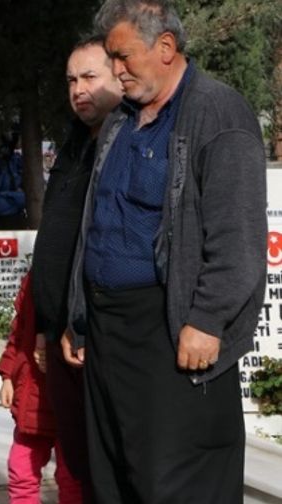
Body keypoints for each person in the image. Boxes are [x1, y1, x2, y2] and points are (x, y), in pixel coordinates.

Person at [67, 1, 267, 501]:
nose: (115, 69)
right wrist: (80, 314)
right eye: (111, 57)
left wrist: (208, 318)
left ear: (165, 47)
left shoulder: (217, 112)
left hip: (172, 329)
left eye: (122, 56)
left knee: (176, 483)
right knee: (115, 479)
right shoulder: (120, 119)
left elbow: (237, 235)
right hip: (111, 333)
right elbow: (98, 220)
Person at [30, 35, 123, 503]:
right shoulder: (73, 142)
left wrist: (82, 326)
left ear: (119, 77)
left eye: (90, 77)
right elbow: (55, 242)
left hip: (95, 334)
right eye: (71, 79)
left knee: (106, 468)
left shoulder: (126, 141)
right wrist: (43, 326)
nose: (78, 89)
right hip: (59, 334)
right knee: (77, 461)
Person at [0, 274, 83, 504]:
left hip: (70, 395)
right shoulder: (34, 281)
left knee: (71, 477)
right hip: (32, 397)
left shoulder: (80, 278)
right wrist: (7, 375)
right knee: (20, 469)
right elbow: (18, 333)